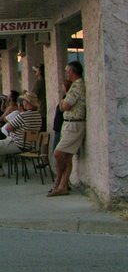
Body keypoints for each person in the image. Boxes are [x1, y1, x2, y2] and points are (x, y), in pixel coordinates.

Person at [51, 61, 85, 197]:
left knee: (58, 153)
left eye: (67, 71)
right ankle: (62, 185)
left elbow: (66, 105)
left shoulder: (77, 86)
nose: (66, 73)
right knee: (67, 156)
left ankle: (60, 181)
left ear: (73, 71)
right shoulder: (74, 86)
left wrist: (62, 104)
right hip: (69, 123)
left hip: (74, 124)